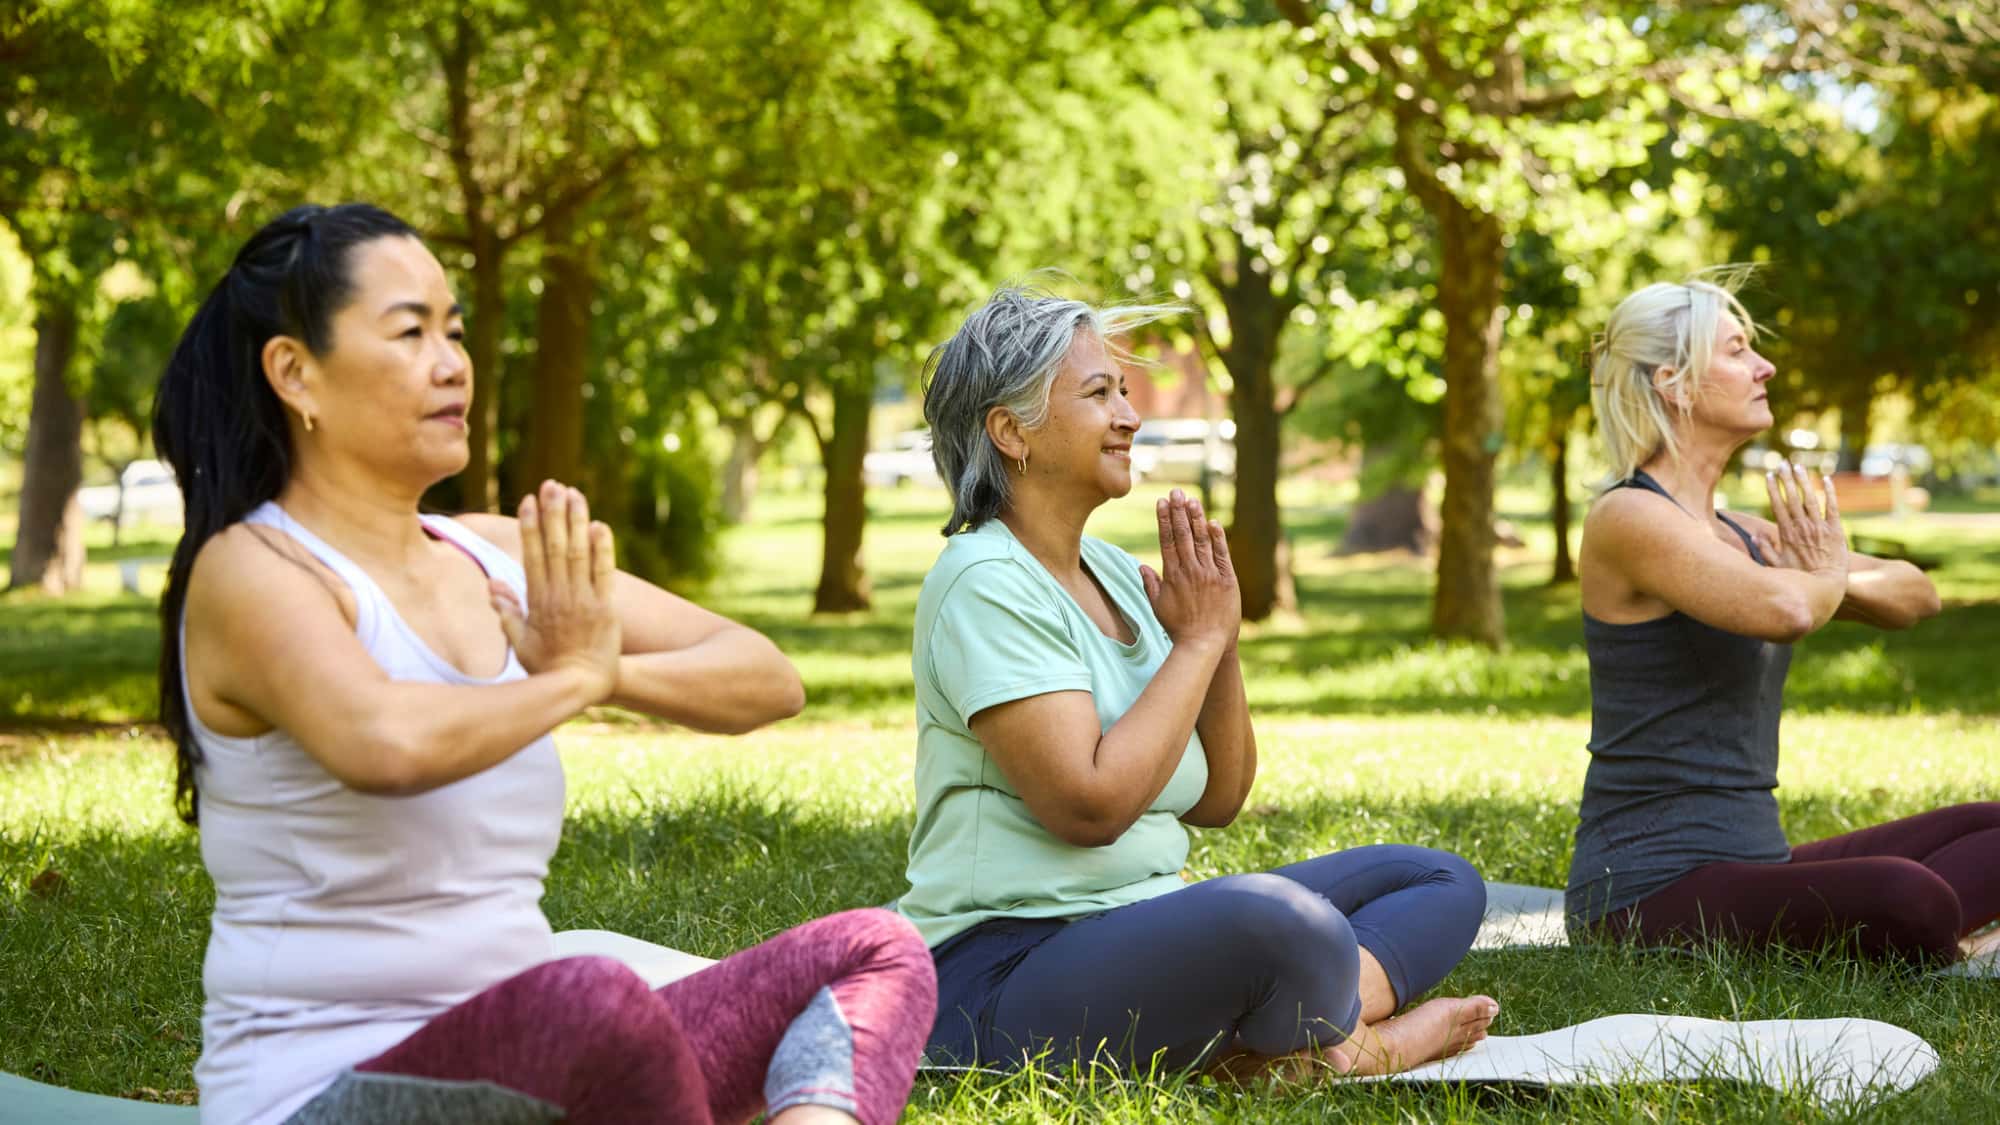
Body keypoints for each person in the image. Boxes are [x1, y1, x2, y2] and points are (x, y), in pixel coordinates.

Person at [152, 202, 935, 1125]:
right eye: (410, 332)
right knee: (590, 998)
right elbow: (385, 741)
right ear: (295, 373)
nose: (454, 362)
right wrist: (570, 679)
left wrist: (605, 672)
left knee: (877, 949)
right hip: (322, 1088)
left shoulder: (489, 553)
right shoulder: (253, 570)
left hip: (546, 1054)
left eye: (453, 328)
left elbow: (766, 676)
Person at [894, 284, 1498, 1081]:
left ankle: (1272, 1041)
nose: (1130, 416)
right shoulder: (984, 580)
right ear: (1011, 431)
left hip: (1137, 927)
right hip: (997, 971)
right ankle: (1348, 1048)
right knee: (1282, 924)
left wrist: (1220, 642)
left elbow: (1219, 799)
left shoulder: (1112, 572)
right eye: (1099, 392)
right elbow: (1089, 805)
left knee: (1440, 879)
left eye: (1126, 391)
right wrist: (1198, 641)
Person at [1567, 270, 2000, 963]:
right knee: (1909, 895)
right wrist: (1819, 575)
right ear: (1674, 382)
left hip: (1756, 862)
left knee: (1991, 828)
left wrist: (1821, 572)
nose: (1765, 364)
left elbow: (1918, 594)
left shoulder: (1744, 535)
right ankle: (1940, 931)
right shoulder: (1629, 517)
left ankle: (1932, 927)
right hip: (1642, 891)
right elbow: (1791, 608)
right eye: (1738, 350)